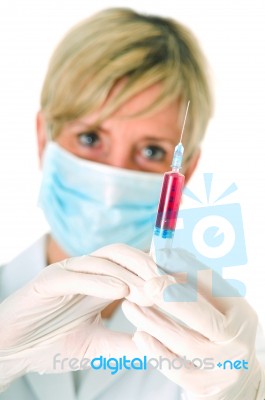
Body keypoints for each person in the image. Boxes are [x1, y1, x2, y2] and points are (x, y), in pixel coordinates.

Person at [0, 7, 264, 400]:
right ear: (43, 140)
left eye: (152, 150)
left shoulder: (219, 353)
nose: (112, 180)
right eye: (90, 138)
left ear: (184, 173)